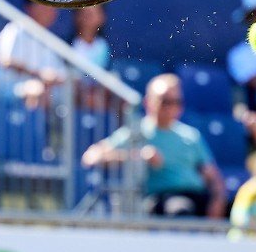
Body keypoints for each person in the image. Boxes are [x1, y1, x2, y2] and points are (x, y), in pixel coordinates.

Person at [81, 73, 225, 219]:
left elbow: (213, 176)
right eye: (165, 101)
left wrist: (218, 201)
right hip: (165, 199)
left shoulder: (191, 135)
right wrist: (138, 155)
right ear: (148, 102)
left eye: (177, 101)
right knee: (180, 209)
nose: (172, 107)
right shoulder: (137, 133)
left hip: (198, 197)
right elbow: (91, 157)